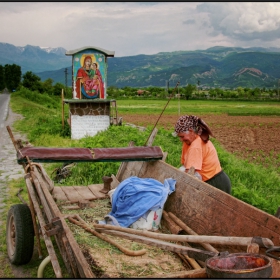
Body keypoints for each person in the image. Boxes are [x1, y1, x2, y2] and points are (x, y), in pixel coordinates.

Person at [173, 114, 231, 194]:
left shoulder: (196, 145)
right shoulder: (188, 142)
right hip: (210, 181)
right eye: (180, 137)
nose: (181, 139)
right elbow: (185, 165)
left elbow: (190, 173)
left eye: (182, 136)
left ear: (191, 131)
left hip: (215, 183)